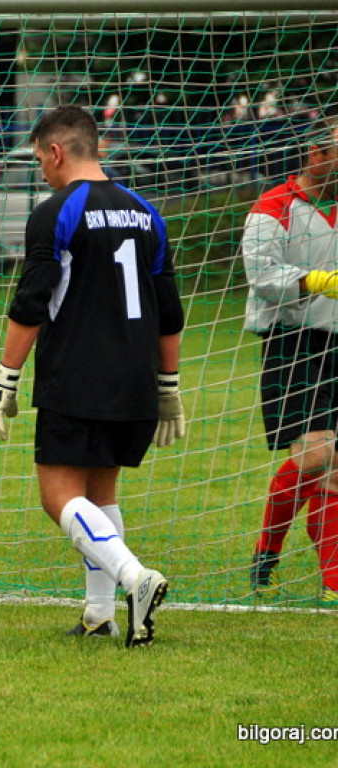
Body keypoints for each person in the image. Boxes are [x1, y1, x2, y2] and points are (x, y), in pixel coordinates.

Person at [0, 105, 186, 647]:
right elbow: (170, 311)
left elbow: (31, 301)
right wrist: (168, 385)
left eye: (40, 161)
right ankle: (100, 614)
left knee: (58, 496)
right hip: (137, 380)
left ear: (56, 152)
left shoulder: (57, 211)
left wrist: (6, 376)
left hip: (78, 375)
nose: (42, 173)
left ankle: (134, 578)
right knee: (101, 491)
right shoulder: (149, 213)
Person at [243, 116, 338, 603]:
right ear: (317, 154)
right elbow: (262, 276)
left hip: (337, 342)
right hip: (292, 341)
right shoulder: (272, 207)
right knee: (316, 454)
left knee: (335, 464)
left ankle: (331, 582)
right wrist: (318, 281)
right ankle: (266, 551)